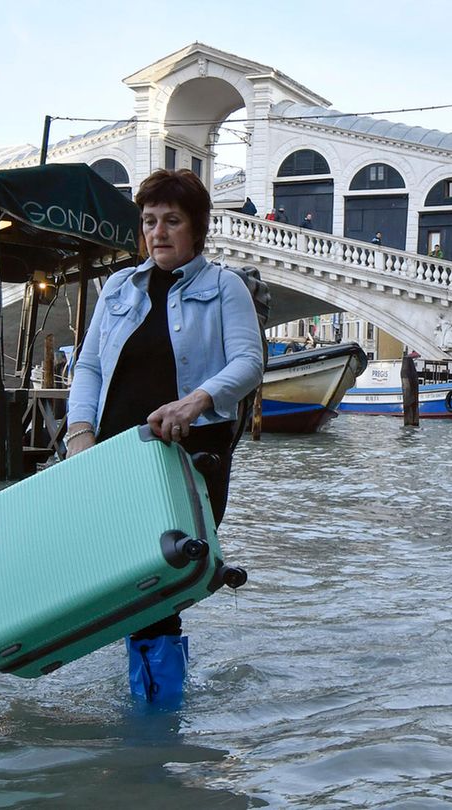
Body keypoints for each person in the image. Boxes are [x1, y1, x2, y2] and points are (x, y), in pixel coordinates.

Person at [66, 169, 265, 702]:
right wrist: (79, 431)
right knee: (131, 582)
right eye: (149, 221)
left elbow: (249, 363)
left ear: (196, 229)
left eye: (171, 221)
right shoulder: (116, 288)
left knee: (158, 583)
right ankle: (155, 706)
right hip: (114, 455)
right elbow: (86, 368)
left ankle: (156, 722)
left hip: (192, 454)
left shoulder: (226, 287)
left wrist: (198, 399)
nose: (158, 232)